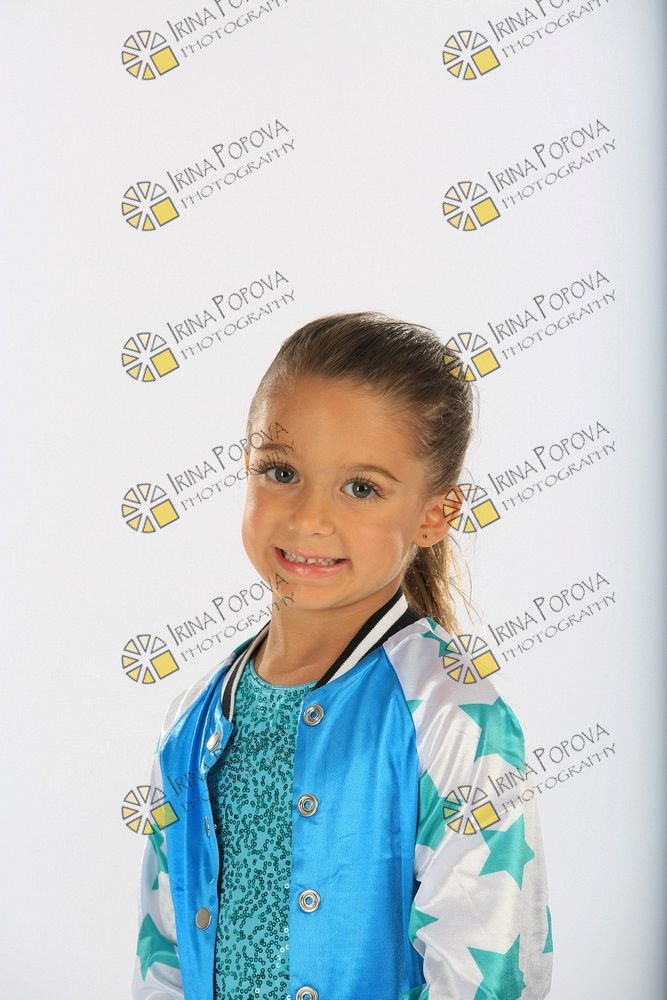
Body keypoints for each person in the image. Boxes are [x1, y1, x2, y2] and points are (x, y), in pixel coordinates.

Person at [131, 311, 554, 1000]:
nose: (309, 519)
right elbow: (164, 957)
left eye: (361, 488)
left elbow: (488, 975)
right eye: (281, 472)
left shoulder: (451, 717)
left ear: (434, 515)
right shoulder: (191, 722)